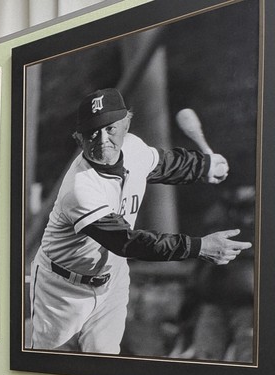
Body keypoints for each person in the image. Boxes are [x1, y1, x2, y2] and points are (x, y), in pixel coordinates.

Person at [29, 88, 252, 354]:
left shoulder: (133, 147)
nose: (102, 140)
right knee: (51, 366)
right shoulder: (80, 189)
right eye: (92, 132)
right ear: (79, 137)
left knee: (104, 362)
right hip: (61, 289)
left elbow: (164, 164)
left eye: (110, 128)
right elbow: (127, 243)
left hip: (110, 279)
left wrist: (203, 166)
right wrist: (198, 247)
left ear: (126, 124)